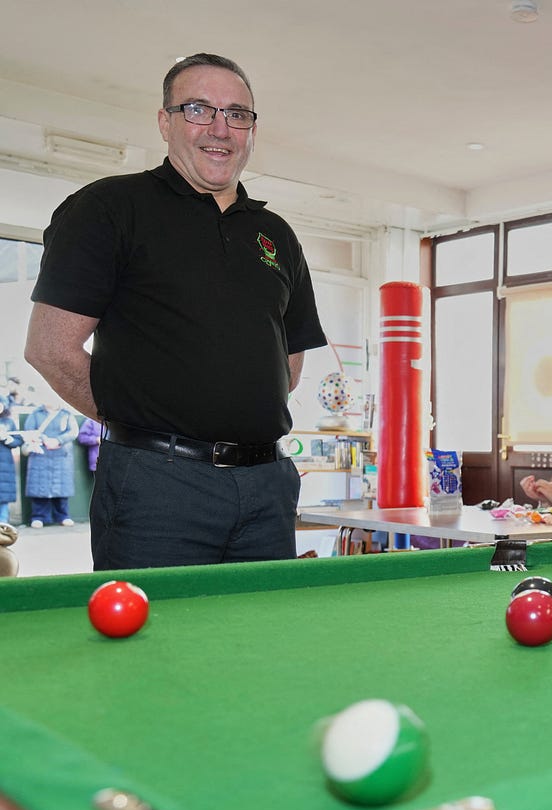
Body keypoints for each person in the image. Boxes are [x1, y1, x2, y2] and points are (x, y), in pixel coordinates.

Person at [24, 52, 325, 569]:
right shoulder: (109, 209)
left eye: (237, 114)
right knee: (153, 645)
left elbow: (289, 362)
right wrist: (147, 426)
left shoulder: (275, 234)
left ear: (252, 130)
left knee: (262, 644)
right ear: (165, 122)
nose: (220, 128)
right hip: (156, 485)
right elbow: (51, 350)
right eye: (198, 109)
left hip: (267, 488)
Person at [22, 399, 78, 527]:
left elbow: (73, 432)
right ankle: (38, 517)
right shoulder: (35, 414)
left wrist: (58, 440)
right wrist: (44, 439)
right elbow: (29, 431)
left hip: (61, 455)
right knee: (39, 486)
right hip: (40, 453)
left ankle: (63, 516)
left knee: (62, 487)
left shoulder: (67, 414)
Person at [0, 397, 18, 526]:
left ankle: (3, 524)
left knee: (4, 496)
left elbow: (18, 440)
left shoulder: (9, 422)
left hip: (5, 463)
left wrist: (6, 438)